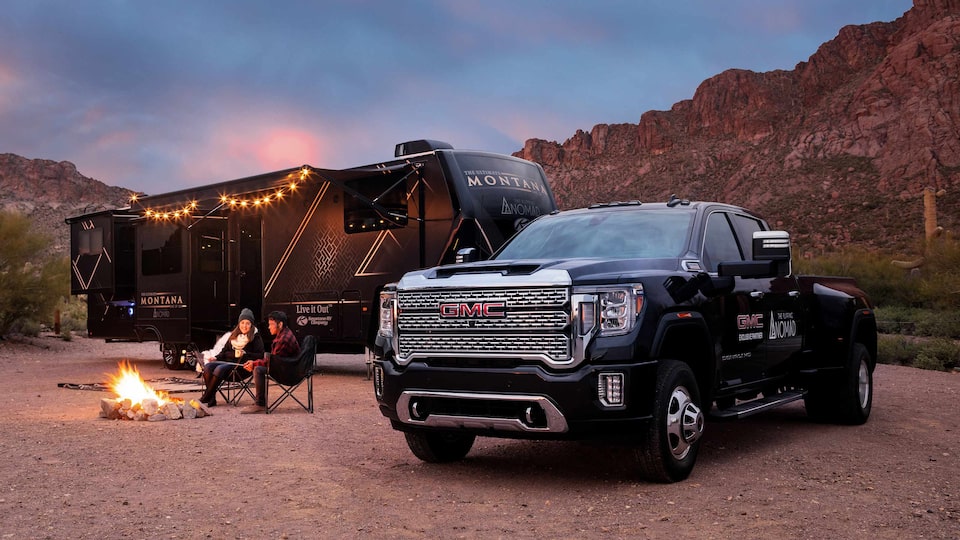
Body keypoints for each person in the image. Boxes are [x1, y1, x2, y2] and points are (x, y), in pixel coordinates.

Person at [197, 308, 265, 407]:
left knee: (219, 368)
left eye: (247, 323)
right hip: (228, 364)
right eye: (242, 323)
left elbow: (260, 355)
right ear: (239, 323)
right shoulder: (234, 335)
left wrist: (245, 354)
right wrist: (216, 358)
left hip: (241, 367)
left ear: (251, 325)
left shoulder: (255, 337)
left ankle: (207, 396)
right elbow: (224, 351)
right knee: (208, 366)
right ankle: (212, 399)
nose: (244, 326)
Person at [240, 310, 300, 414]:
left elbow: (272, 362)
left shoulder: (283, 339)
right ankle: (260, 403)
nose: (269, 327)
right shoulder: (283, 334)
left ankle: (260, 404)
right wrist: (255, 362)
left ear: (280, 324)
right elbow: (273, 360)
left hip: (289, 373)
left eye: (271, 324)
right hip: (288, 367)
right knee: (258, 366)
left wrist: (254, 363)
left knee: (258, 369)